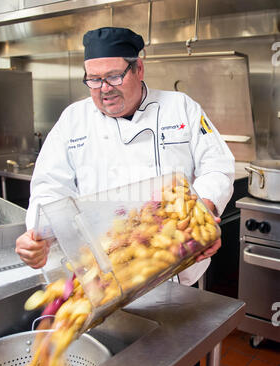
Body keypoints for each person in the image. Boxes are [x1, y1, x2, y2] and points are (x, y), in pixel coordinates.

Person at [16, 26, 235, 288]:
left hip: (177, 257)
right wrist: (40, 237)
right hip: (104, 269)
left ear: (138, 69)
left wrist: (202, 214)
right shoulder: (73, 120)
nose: (104, 88)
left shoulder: (180, 107)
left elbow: (217, 166)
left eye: (114, 76)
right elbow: (49, 187)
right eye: (94, 79)